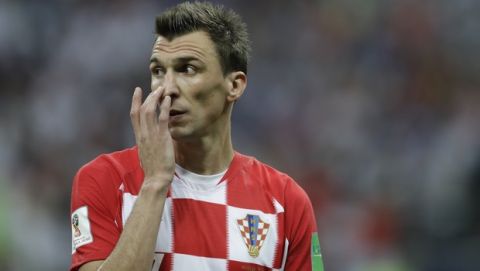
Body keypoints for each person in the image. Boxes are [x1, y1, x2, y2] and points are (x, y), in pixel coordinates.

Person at [70, 2, 324, 271]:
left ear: (234, 85)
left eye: (187, 69)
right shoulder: (104, 179)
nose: (167, 88)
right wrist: (155, 183)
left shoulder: (287, 203)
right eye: (158, 71)